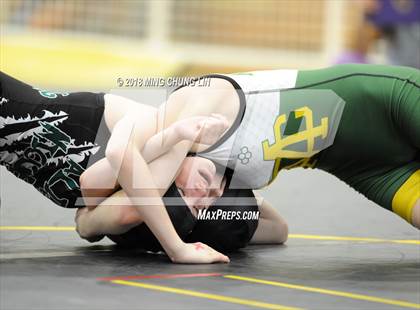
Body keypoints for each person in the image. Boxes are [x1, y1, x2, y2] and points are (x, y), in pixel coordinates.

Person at [79, 63, 419, 256]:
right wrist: (196, 227)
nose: (200, 192)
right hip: (372, 170)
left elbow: (110, 178)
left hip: (389, 103)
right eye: (198, 204)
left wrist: (175, 247)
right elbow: (276, 229)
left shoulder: (189, 112)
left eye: (184, 191)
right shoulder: (224, 179)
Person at [0, 71, 288, 263]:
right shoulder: (159, 125)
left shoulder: (152, 190)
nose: (204, 190)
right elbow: (102, 181)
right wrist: (177, 245)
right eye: (214, 182)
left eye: (200, 205)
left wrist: (214, 210)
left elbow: (278, 230)